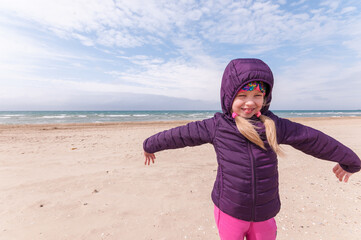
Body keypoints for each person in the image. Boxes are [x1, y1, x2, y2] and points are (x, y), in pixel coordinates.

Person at [142, 58, 361, 240]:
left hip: (265, 212)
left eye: (257, 95)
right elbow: (180, 135)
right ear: (229, 97)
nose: (250, 102)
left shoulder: (274, 125)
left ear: (265, 97)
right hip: (231, 211)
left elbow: (313, 139)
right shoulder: (217, 127)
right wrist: (150, 145)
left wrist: (350, 160)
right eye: (242, 95)